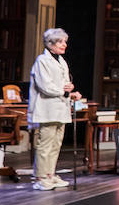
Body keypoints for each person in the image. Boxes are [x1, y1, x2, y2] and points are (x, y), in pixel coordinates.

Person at [26, 28, 83, 191]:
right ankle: (40, 177)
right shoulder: (42, 60)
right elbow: (45, 86)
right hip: (47, 108)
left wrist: (71, 91)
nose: (64, 45)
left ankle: (50, 174)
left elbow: (64, 83)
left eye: (65, 42)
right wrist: (64, 91)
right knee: (45, 144)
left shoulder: (61, 61)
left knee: (56, 143)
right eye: (60, 42)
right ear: (50, 44)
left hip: (61, 108)